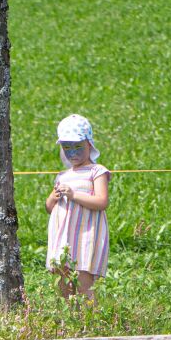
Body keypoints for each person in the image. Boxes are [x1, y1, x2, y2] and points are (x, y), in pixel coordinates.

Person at [45, 114, 110, 302]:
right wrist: (52, 198)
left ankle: (90, 322)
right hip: (62, 236)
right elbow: (50, 208)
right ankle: (70, 320)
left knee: (83, 280)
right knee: (62, 280)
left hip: (85, 234)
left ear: (89, 144)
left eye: (77, 147)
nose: (72, 153)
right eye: (67, 148)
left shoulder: (97, 171)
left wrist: (74, 195)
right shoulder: (62, 176)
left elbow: (101, 201)